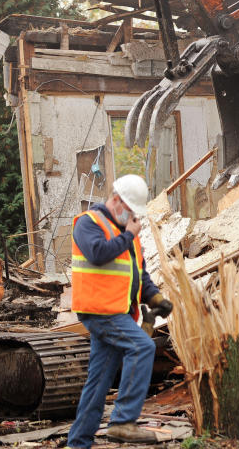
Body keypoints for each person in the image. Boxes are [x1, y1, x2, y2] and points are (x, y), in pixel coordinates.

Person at [66, 174, 173, 448]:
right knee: (142, 347)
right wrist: (128, 235)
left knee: (98, 381)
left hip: (117, 312)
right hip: (99, 311)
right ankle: (123, 422)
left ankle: (78, 443)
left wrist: (156, 298)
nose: (132, 216)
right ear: (116, 200)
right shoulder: (89, 223)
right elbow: (98, 253)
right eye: (130, 209)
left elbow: (139, 273)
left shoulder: (128, 236)